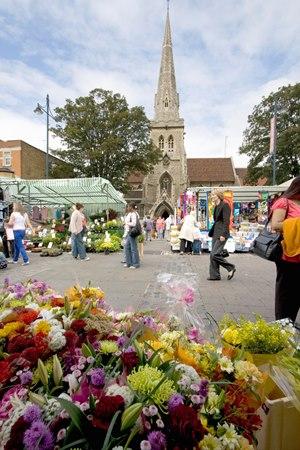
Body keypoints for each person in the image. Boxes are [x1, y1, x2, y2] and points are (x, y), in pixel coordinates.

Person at [271, 176, 300, 322]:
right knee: (287, 297)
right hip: (288, 256)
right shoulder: (284, 202)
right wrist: (297, 223)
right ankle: (284, 327)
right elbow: (275, 225)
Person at [208, 190, 236, 281]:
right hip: (215, 233)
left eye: (213, 195)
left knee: (214, 254)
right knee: (213, 254)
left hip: (222, 233)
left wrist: (223, 234)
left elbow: (226, 221)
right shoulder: (216, 206)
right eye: (211, 195)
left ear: (218, 196)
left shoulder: (225, 205)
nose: (212, 196)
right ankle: (215, 275)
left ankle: (230, 267)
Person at [124, 203, 140, 269]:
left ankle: (136, 264)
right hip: (128, 232)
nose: (127, 208)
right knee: (127, 247)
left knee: (133, 248)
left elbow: (134, 223)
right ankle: (129, 263)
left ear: (131, 207)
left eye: (128, 207)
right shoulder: (130, 214)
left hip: (132, 232)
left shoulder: (134, 214)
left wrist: (126, 223)